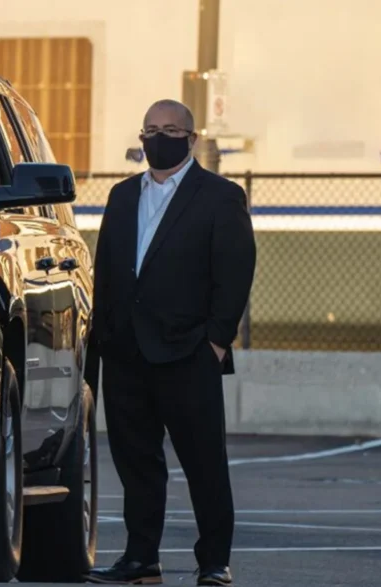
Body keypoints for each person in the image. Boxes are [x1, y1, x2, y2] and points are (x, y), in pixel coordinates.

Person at [82, 99, 256, 586]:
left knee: (204, 464)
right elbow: (109, 274)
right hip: (127, 355)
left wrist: (216, 343)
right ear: (141, 138)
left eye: (171, 130)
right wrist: (105, 339)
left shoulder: (219, 196)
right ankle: (141, 560)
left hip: (188, 354)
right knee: (136, 463)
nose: (160, 137)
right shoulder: (121, 196)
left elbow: (235, 271)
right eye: (151, 130)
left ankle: (214, 562)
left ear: (191, 137)